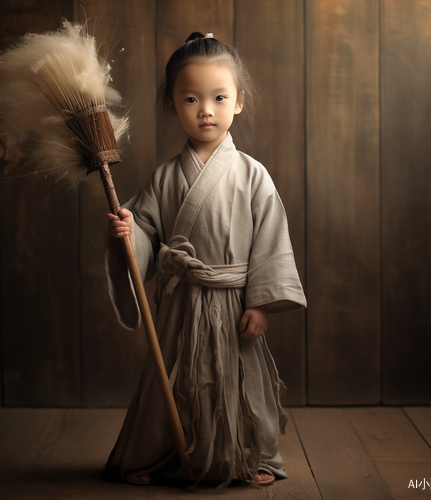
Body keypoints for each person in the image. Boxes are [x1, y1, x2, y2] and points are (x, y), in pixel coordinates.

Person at [104, 32, 306, 488]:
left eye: (218, 97)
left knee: (241, 381)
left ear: (237, 102)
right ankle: (157, 455)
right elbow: (145, 234)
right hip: (182, 301)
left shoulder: (253, 175)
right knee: (171, 382)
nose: (205, 109)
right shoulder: (166, 177)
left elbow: (271, 239)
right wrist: (127, 232)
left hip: (234, 303)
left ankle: (253, 456)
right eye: (191, 98)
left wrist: (260, 303)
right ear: (173, 106)